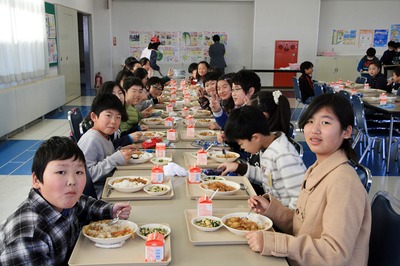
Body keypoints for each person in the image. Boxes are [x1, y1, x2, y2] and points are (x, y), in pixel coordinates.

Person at [246, 93, 371, 265]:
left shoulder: (344, 182)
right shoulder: (316, 169)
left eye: (325, 122)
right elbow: (303, 227)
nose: (314, 129)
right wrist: (272, 210)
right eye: (310, 121)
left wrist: (274, 242)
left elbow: (335, 254)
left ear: (347, 132)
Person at [0, 136, 131, 265]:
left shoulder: (64, 200)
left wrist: (111, 210)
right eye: (61, 172)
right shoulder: (28, 237)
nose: (72, 181)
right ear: (36, 180)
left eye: (79, 172)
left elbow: (84, 204)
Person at [218, 106, 304, 209]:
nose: (242, 148)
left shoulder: (283, 154)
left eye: (241, 144)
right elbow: (267, 177)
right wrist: (238, 167)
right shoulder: (267, 145)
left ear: (255, 138)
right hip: (272, 211)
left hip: (285, 219)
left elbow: (300, 198)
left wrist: (284, 221)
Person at [78, 94, 139, 198]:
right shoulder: (91, 139)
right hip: (98, 195)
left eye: (118, 117)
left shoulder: (104, 135)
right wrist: (115, 158)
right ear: (94, 117)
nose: (113, 121)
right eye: (108, 115)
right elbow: (86, 176)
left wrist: (120, 151)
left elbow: (104, 157)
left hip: (109, 184)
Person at [82, 81, 142, 148]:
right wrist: (128, 138)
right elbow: (108, 146)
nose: (118, 97)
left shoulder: (115, 115)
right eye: (113, 94)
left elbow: (116, 137)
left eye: (120, 93)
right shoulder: (98, 128)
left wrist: (135, 129)